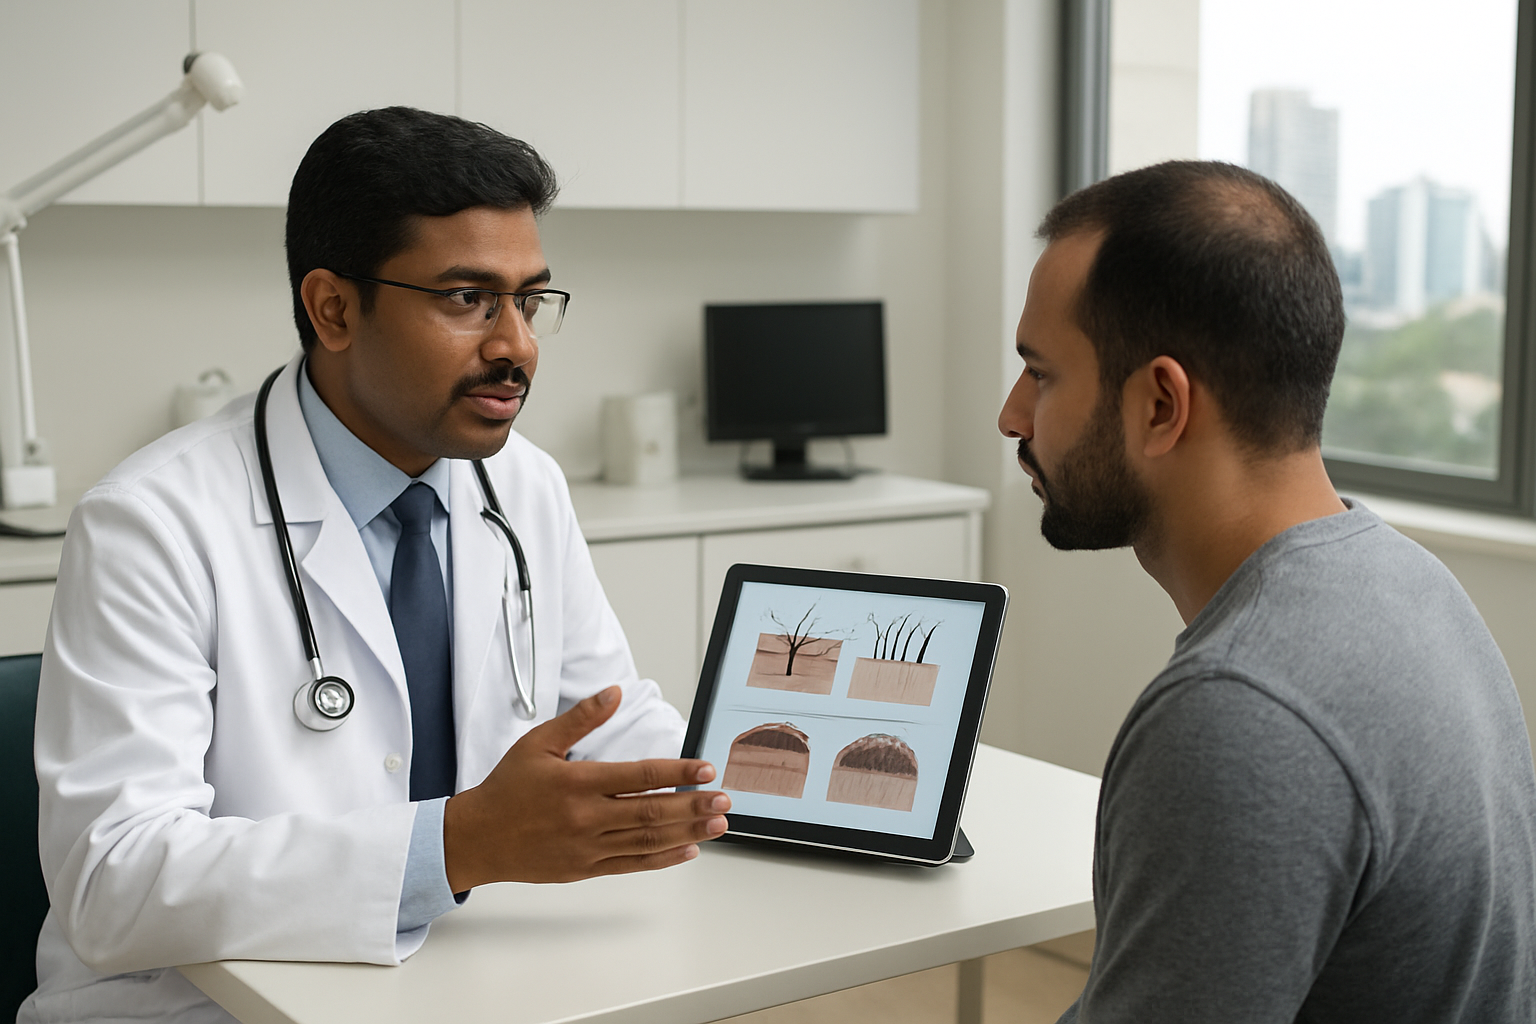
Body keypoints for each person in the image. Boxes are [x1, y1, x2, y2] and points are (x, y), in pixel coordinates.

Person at [22, 107, 731, 1024]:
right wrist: (454, 846)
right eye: (467, 299)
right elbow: (112, 884)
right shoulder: (151, 523)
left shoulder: (523, 484)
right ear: (334, 308)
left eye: (528, 298)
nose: (516, 345)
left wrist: (782, 780)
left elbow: (605, 722)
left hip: (463, 985)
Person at [998, 161, 1536, 1022]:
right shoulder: (1411, 583)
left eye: (1042, 374)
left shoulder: (1241, 710)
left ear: (1162, 405)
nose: (1012, 416)